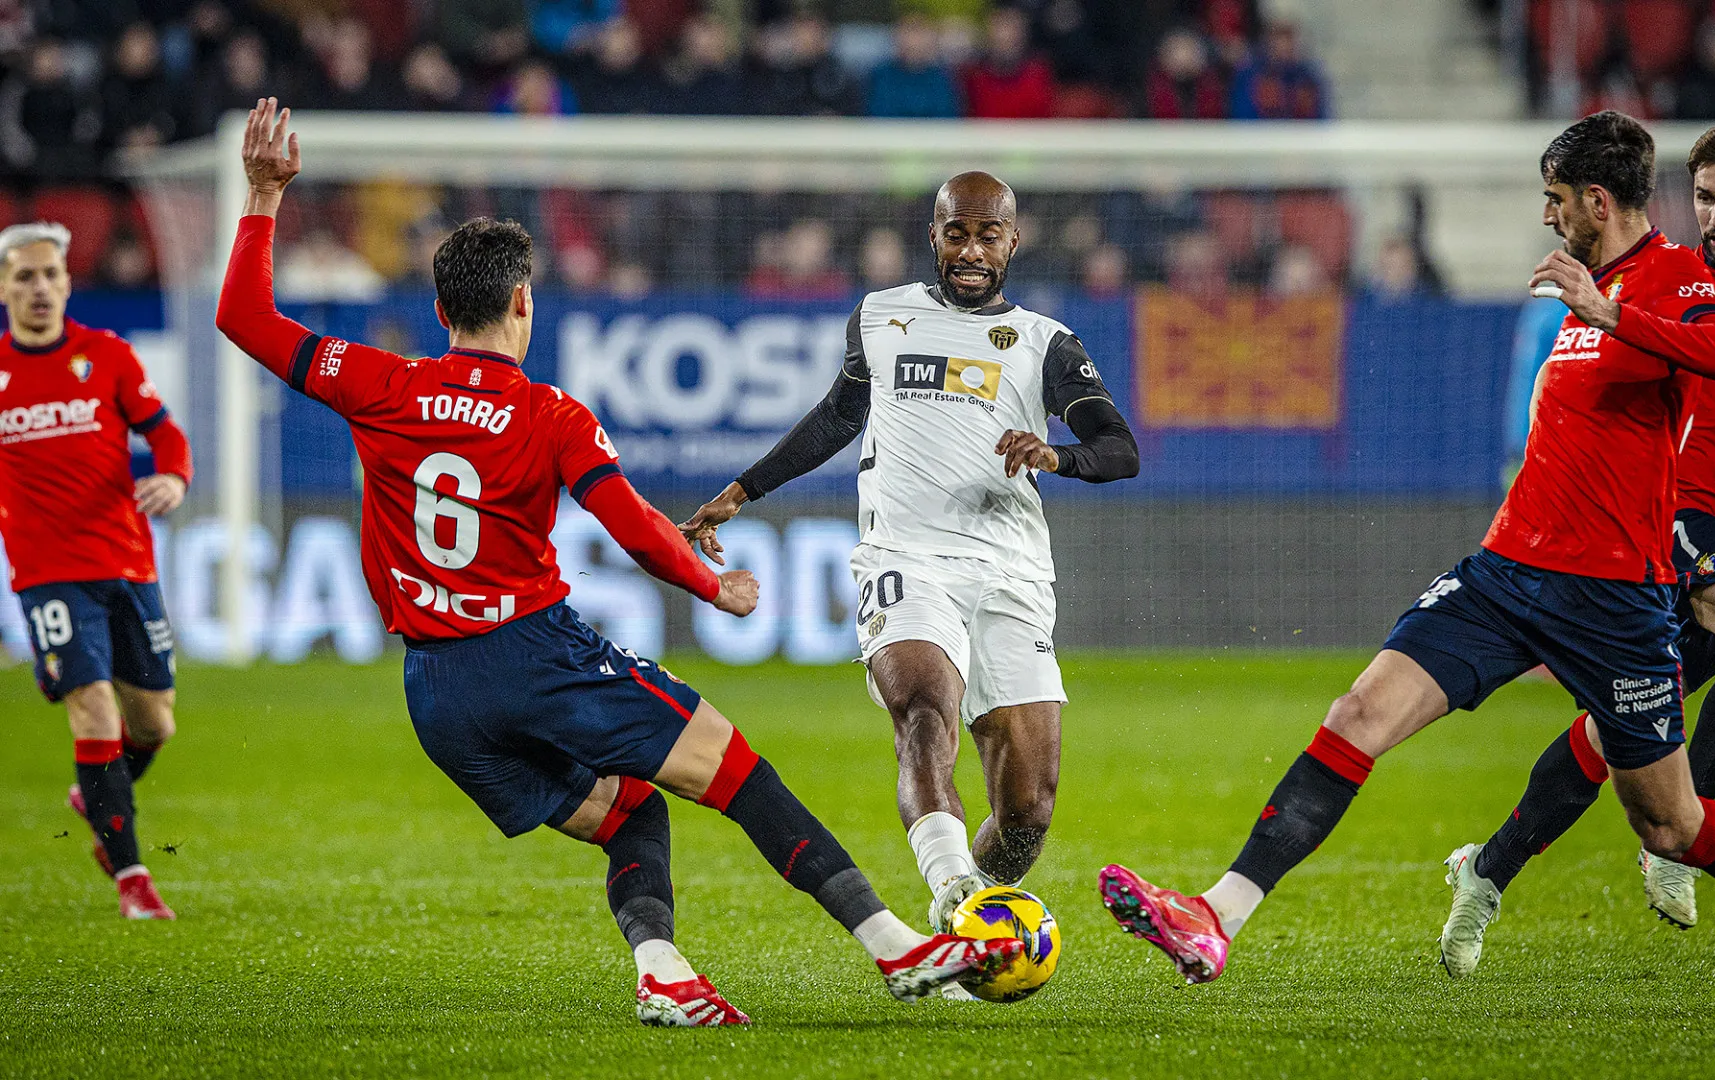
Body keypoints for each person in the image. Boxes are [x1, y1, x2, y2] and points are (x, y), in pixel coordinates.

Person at [215, 99, 1020, 1027]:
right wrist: (713, 584)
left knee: (631, 811)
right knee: (740, 772)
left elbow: (241, 313)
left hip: (436, 694)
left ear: (439, 311)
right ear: (525, 300)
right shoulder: (551, 415)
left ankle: (664, 972)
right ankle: (898, 946)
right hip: (535, 658)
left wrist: (265, 194)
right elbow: (632, 526)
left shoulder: (376, 381)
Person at [1097, 111, 1715, 1017]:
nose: (1548, 216)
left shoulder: (1671, 278)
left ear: (1598, 201)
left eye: (1555, 200)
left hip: (1615, 601)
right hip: (1503, 575)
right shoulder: (1585, 287)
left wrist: (1612, 312)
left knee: (1673, 823)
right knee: (1358, 713)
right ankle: (1215, 915)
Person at [1440, 118, 1715, 964]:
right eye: (1704, 198)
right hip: (1677, 517)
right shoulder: (1671, 278)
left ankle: (1487, 871)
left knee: (1624, 731)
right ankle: (1672, 846)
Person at [679, 172, 1139, 967]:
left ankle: (968, 910)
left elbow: (1119, 450)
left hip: (1011, 573)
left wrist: (1056, 454)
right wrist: (745, 489)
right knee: (923, 708)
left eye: (986, 234)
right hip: (905, 558)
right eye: (955, 233)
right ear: (934, 236)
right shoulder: (882, 316)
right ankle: (956, 888)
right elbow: (837, 414)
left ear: (1011, 242)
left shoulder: (1044, 343)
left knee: (1028, 808)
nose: (969, 250)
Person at [0, 220, 192, 920]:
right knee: (93, 707)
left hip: (127, 564)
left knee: (156, 723)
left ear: (68, 281)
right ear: (3, 288)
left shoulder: (105, 355)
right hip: (47, 575)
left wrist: (172, 477)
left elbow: (165, 432)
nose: (40, 288)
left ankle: (98, 792)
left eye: (50, 274)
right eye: (24, 276)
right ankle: (134, 880)